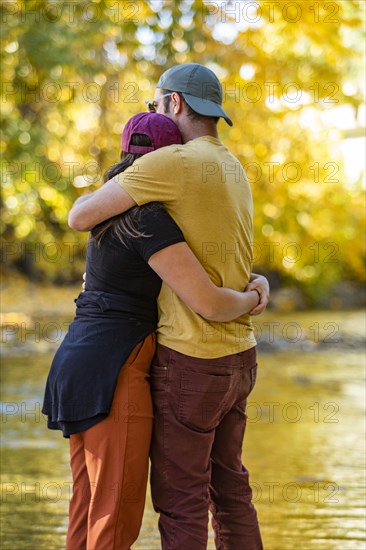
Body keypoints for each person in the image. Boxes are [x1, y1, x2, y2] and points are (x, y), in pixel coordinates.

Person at [43, 111, 265, 550]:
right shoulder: (149, 221)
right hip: (115, 369)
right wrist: (255, 297)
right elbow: (206, 301)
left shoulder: (106, 216)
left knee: (86, 506)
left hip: (74, 364)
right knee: (116, 513)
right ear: (165, 161)